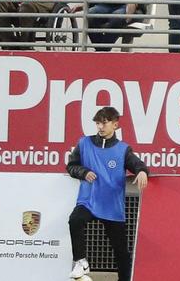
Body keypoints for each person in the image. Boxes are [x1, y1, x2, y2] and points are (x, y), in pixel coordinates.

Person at [65, 104, 149, 281]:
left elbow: (137, 164)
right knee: (75, 220)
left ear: (115, 125)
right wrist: (83, 172)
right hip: (88, 201)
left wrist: (142, 171)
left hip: (112, 207)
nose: (101, 127)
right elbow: (71, 166)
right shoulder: (84, 143)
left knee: (122, 253)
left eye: (105, 123)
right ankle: (80, 261)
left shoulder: (122, 149)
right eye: (98, 123)